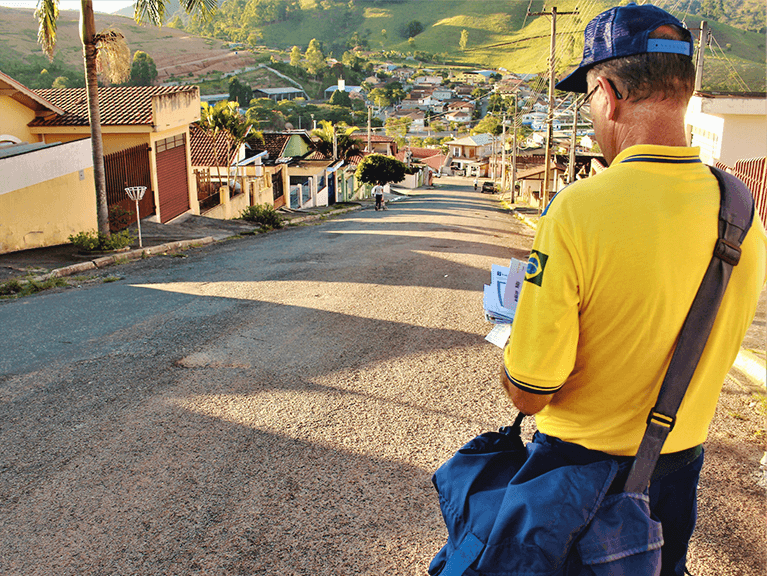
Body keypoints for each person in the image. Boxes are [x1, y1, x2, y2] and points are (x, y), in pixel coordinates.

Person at [500, 4, 767, 575]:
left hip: (574, 476)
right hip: (675, 476)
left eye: (590, 99)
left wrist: (511, 342)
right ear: (686, 90)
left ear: (608, 94)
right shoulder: (742, 213)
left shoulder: (578, 210)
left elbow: (530, 392)